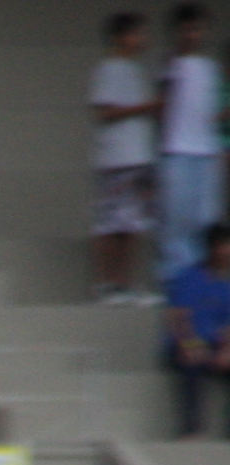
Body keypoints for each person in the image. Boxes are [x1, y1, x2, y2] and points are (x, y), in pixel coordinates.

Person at [100, 11, 163, 306]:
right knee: (112, 225)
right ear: (120, 37)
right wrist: (146, 107)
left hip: (138, 158)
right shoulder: (109, 69)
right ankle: (110, 286)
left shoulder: (137, 70)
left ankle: (128, 285)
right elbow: (104, 113)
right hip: (117, 159)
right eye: (136, 33)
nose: (142, 39)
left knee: (133, 225)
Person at [164, 5, 221, 285]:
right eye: (187, 29)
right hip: (177, 151)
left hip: (206, 152)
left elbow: (210, 112)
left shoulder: (210, 68)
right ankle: (175, 280)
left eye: (197, 29)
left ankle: (201, 280)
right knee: (177, 221)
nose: (193, 35)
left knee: (205, 220)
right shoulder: (170, 65)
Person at [168, 221, 230, 430]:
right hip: (187, 344)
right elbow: (178, 319)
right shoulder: (189, 277)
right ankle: (191, 429)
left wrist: (226, 350)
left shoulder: (226, 284)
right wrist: (193, 346)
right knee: (191, 365)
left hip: (214, 345)